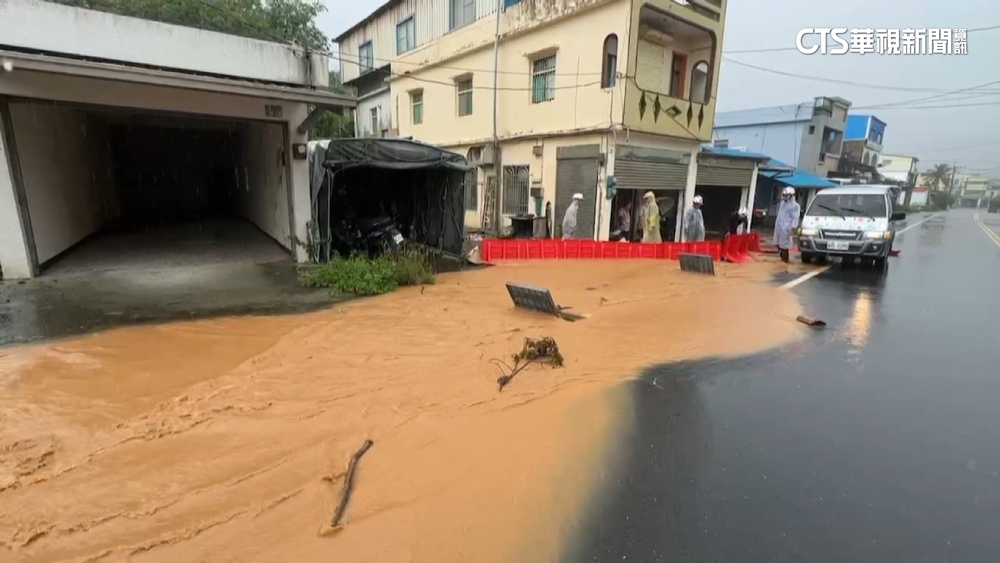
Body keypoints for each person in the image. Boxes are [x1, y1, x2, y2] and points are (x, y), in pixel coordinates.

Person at [774, 187, 801, 263]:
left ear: (791, 196)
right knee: (777, 243)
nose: (784, 197)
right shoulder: (783, 203)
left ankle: (785, 261)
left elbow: (795, 218)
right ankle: (781, 260)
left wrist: (792, 229)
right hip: (778, 227)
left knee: (785, 247)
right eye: (784, 195)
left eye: (786, 196)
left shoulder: (795, 206)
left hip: (786, 228)